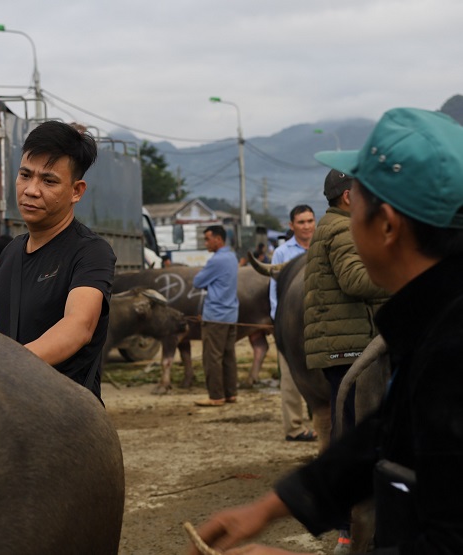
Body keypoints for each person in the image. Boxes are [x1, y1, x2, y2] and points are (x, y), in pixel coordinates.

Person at [187, 107, 463, 554]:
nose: (339, 223)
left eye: (357, 207)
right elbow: (383, 435)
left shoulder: (451, 354)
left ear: (387, 225)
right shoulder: (433, 324)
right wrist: (274, 505)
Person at [0, 121, 116, 402]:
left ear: (76, 191)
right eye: (25, 175)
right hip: (12, 410)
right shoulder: (10, 254)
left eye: (48, 181)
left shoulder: (91, 252)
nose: (31, 190)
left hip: (68, 417)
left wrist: (4, 366)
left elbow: (79, 326)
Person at [304, 169, 391, 553]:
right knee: (356, 439)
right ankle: (348, 530)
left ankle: (348, 527)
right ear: (347, 198)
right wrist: (402, 279)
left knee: (350, 433)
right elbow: (356, 280)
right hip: (352, 347)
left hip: (343, 344)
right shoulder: (342, 230)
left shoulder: (329, 227)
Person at [270, 205, 317, 442]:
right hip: (290, 325)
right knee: (290, 377)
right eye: (301, 222)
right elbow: (274, 294)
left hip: (319, 324)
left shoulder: (323, 245)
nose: (307, 226)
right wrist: (279, 324)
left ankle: (320, 422)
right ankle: (294, 428)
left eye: (310, 221)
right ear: (291, 226)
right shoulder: (281, 253)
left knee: (320, 375)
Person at [193, 225, 239, 407]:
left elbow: (197, 282)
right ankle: (231, 393)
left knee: (212, 357)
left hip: (215, 316)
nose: (206, 243)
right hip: (231, 314)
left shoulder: (216, 260)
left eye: (207, 239)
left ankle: (216, 396)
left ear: (218, 239)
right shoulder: (232, 257)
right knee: (229, 356)